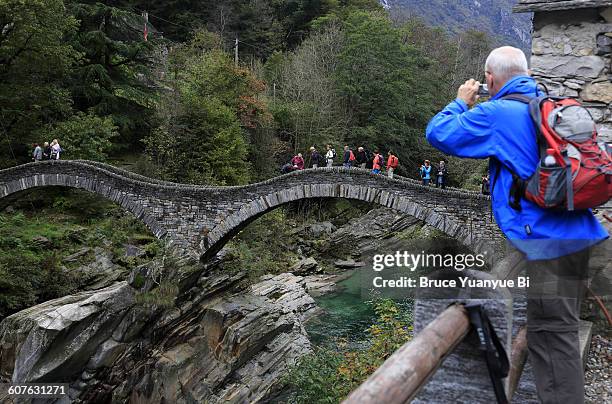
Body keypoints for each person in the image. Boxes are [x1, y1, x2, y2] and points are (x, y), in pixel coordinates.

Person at [426, 46, 608, 404]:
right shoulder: (550, 107)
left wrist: (462, 101)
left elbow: (439, 133)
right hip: (580, 235)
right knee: (554, 333)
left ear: (489, 79)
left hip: (546, 242)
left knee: (552, 339)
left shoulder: (497, 113)